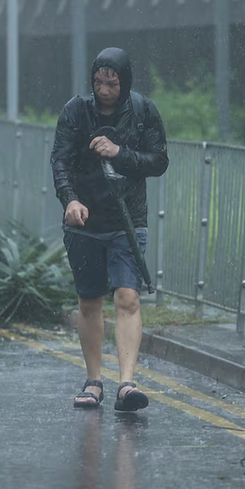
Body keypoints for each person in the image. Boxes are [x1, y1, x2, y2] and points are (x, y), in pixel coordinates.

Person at [50, 47, 169, 411]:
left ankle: (127, 383)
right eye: (98, 82)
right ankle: (93, 380)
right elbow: (60, 160)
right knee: (90, 301)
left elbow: (159, 161)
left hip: (127, 222)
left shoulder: (144, 111)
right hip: (84, 222)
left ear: (125, 82)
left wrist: (119, 152)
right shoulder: (75, 111)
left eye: (112, 83)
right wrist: (70, 200)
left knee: (127, 298)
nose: (103, 90)